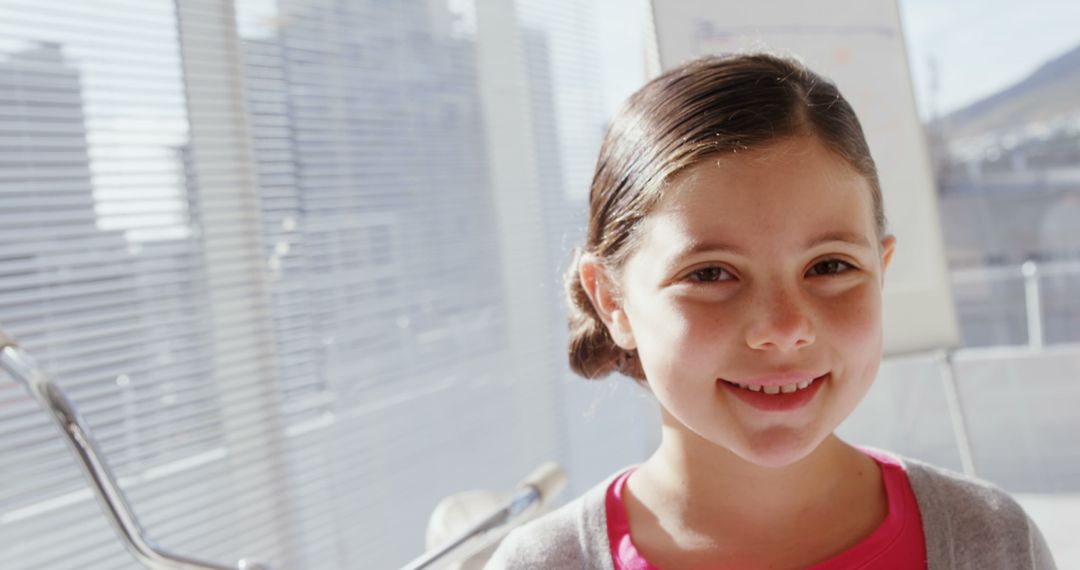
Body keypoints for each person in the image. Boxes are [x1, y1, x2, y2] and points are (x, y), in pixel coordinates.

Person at [485, 53, 1057, 569]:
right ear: (613, 300)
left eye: (829, 267)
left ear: (881, 268)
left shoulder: (991, 542)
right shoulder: (543, 564)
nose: (785, 329)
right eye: (710, 274)